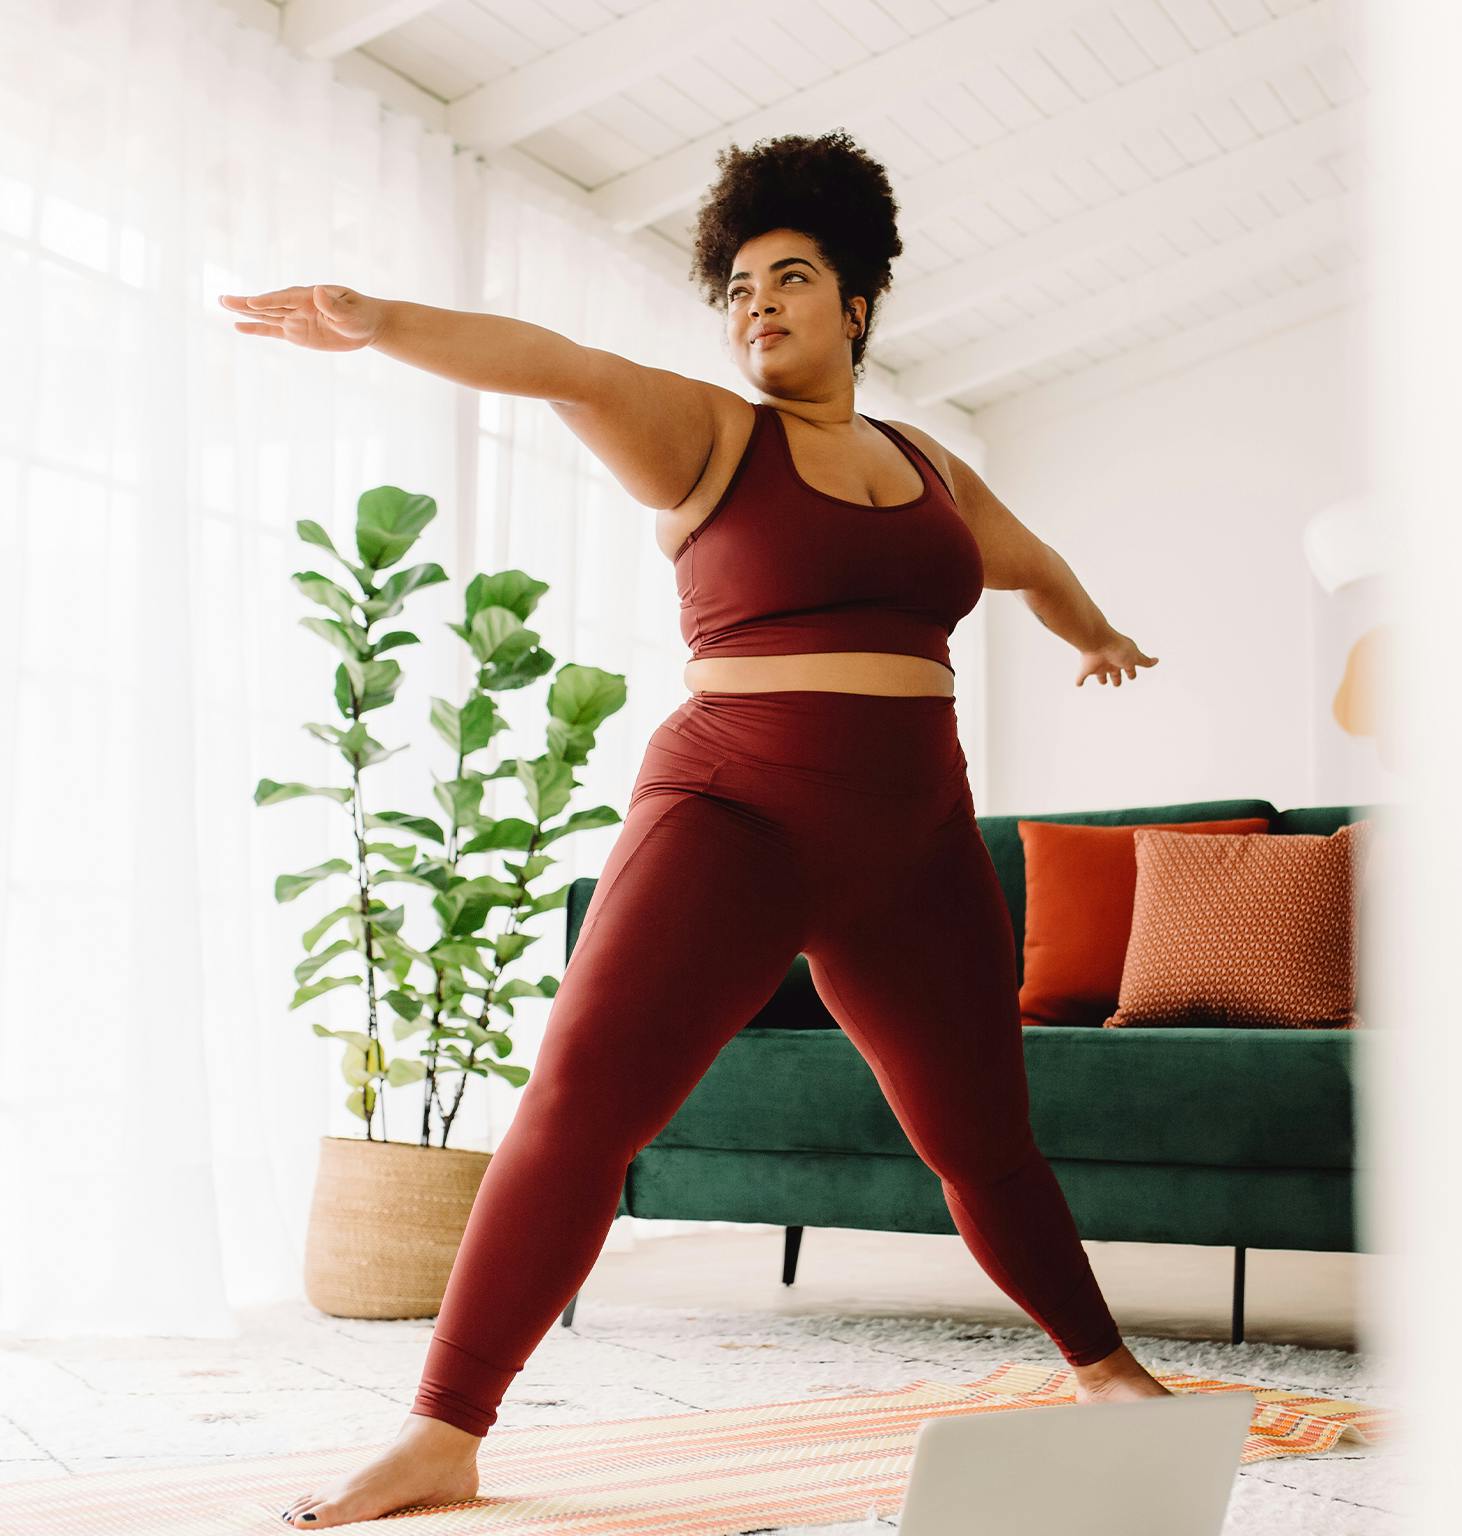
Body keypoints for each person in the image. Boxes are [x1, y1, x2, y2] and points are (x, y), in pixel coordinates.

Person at [223, 129, 1165, 1532]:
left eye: (790, 278)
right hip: (734, 817)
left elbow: (1029, 563)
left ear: (858, 303)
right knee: (581, 1105)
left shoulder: (930, 469)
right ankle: (442, 1430)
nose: (756, 305)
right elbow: (557, 365)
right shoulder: (712, 435)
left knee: (984, 1140)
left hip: (916, 843)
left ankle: (1107, 1373)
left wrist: (1096, 636)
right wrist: (381, 324)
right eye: (735, 287)